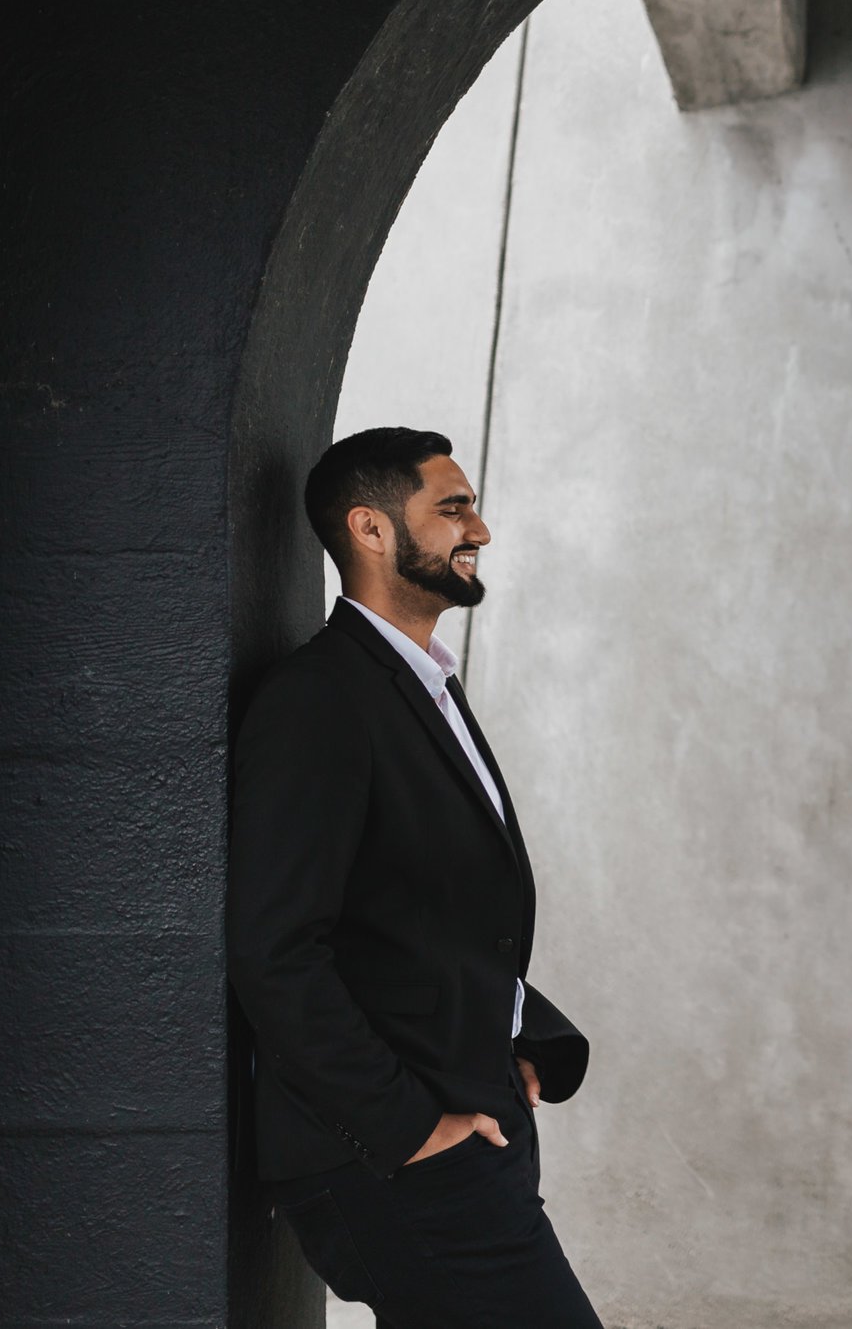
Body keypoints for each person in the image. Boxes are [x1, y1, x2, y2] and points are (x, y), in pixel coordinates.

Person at [228, 427, 601, 1327]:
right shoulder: (321, 700)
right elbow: (275, 949)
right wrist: (412, 1130)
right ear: (370, 526)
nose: (479, 528)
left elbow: (430, 915)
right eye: (452, 507)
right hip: (395, 1161)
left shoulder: (423, 685)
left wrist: (513, 1041)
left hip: (466, 1133)